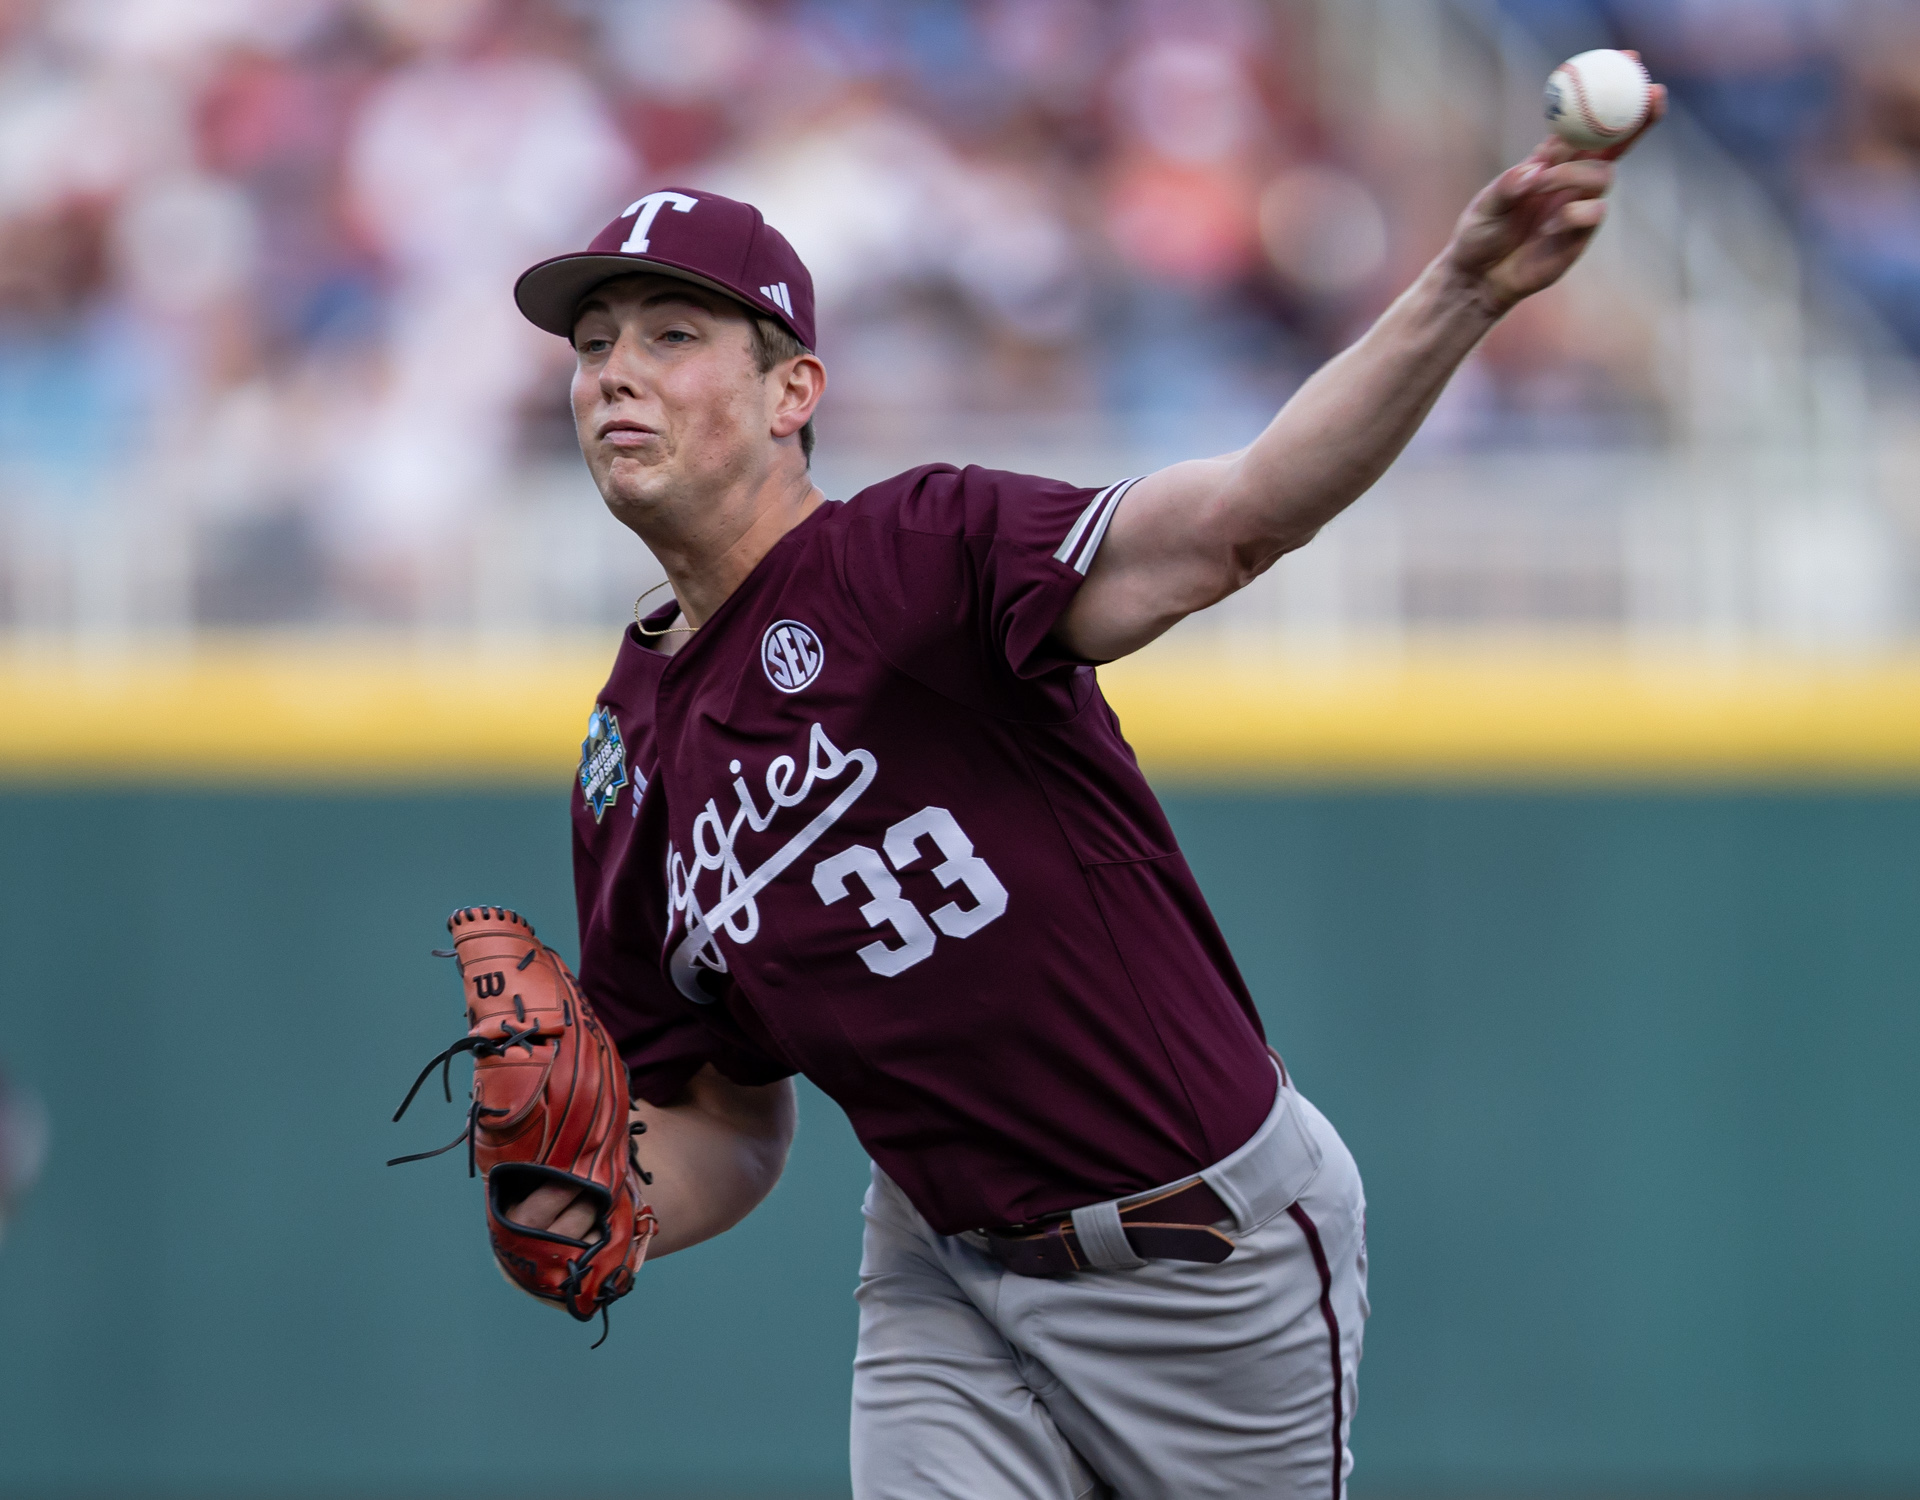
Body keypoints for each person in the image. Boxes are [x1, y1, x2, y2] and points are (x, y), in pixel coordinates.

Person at [502, 88, 1661, 1500]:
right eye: (595, 342)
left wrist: (1465, 289)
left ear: (792, 390)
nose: (616, 371)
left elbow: (1236, 518)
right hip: (942, 1268)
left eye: (673, 335)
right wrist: (601, 1202)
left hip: (1200, 1261)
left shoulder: (916, 555)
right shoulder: (626, 758)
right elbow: (730, 1118)